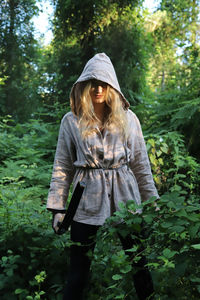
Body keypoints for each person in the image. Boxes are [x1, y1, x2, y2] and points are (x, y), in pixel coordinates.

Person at [47, 53, 159, 300]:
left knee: (139, 263)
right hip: (84, 197)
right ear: (84, 85)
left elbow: (140, 162)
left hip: (126, 196)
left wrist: (151, 200)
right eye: (93, 83)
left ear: (112, 86)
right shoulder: (71, 121)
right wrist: (58, 208)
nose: (98, 89)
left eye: (104, 83)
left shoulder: (129, 119)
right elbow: (63, 165)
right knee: (78, 271)